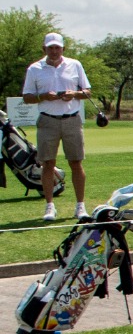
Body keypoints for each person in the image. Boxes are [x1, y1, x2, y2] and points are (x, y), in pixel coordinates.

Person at [21, 32, 91, 221]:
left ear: (63, 49)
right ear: (44, 49)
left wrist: (74, 94)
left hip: (71, 119)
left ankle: (80, 206)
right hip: (47, 120)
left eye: (57, 48)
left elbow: (87, 91)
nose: (54, 51)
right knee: (47, 164)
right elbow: (27, 97)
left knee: (76, 162)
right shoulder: (35, 69)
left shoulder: (75, 64)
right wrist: (43, 96)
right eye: (50, 48)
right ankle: (49, 206)